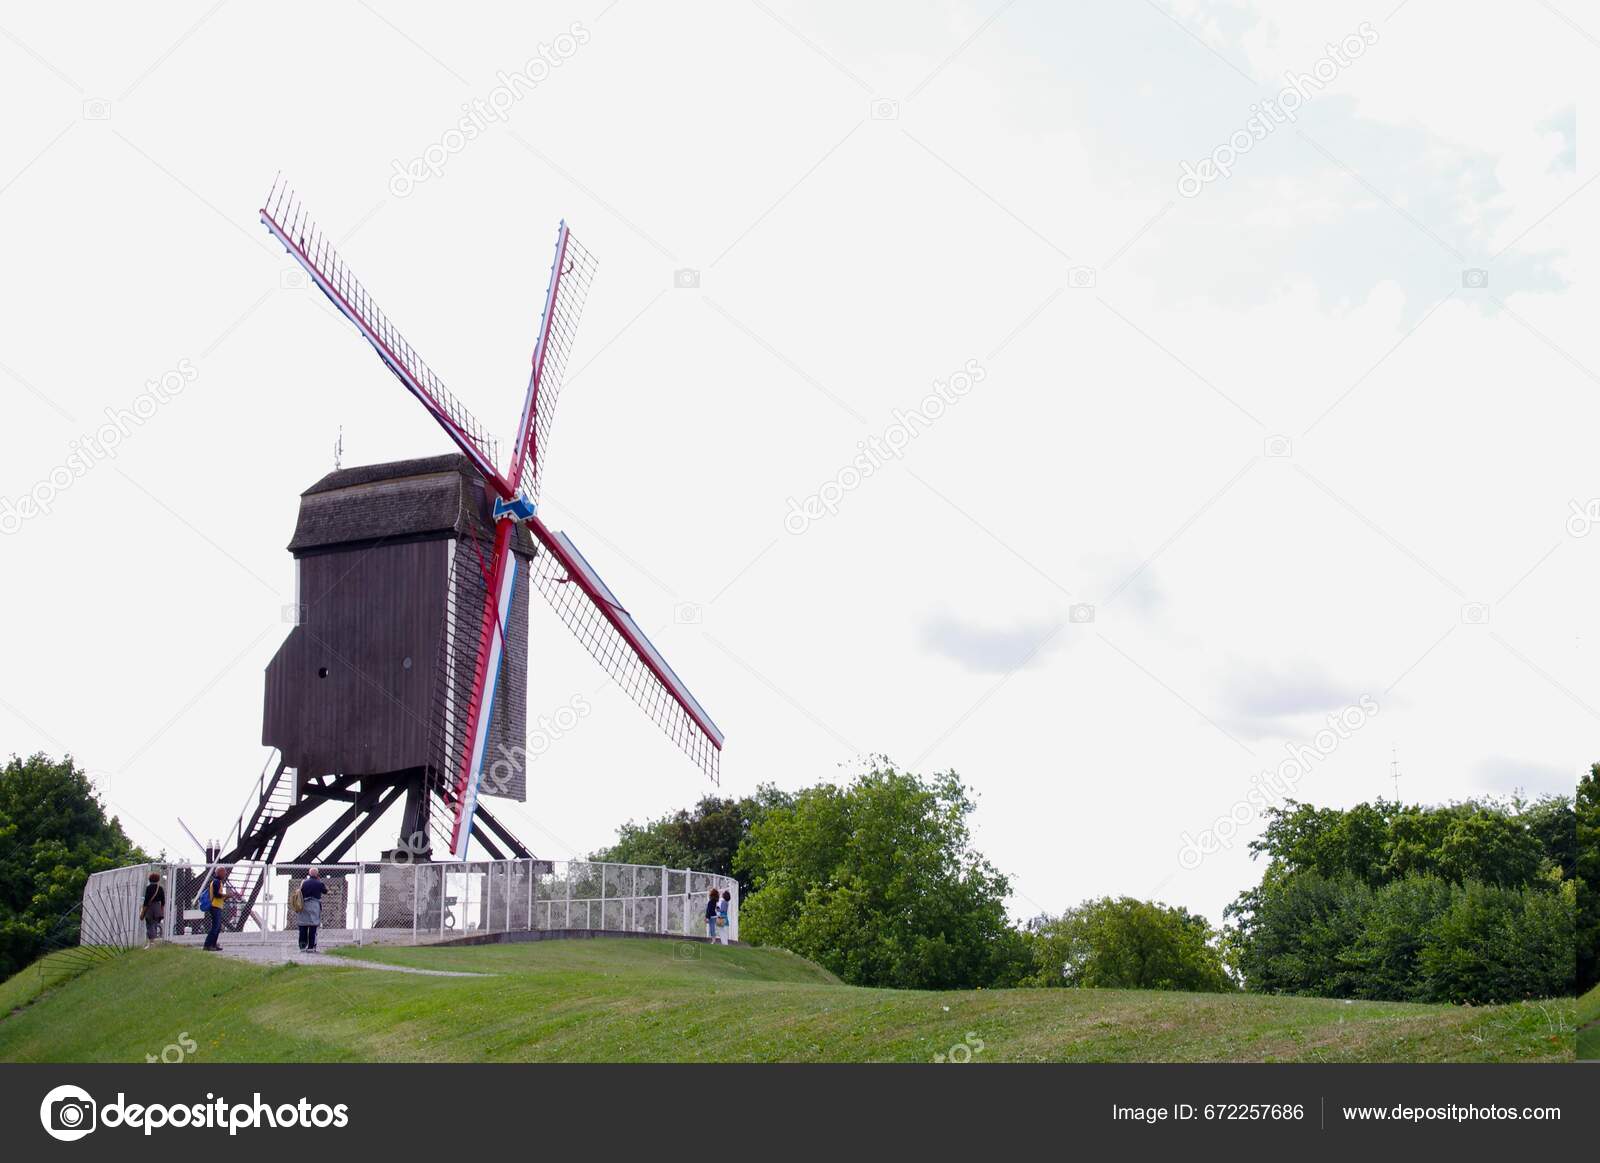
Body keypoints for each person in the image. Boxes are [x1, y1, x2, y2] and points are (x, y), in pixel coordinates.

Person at [202, 866, 230, 951]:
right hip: (215, 906)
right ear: (219, 873)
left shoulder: (219, 882)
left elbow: (219, 897)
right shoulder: (216, 882)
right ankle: (207, 945)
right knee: (215, 927)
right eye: (224, 872)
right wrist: (226, 895)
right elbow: (216, 895)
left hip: (218, 906)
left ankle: (213, 945)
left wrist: (226, 897)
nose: (225, 874)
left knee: (217, 927)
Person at [298, 867, 327, 953]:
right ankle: (311, 947)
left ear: (309, 873)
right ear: (317, 874)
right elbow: (325, 891)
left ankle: (302, 946)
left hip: (304, 906)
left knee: (303, 926)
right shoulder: (319, 883)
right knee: (313, 926)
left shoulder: (304, 883)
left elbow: (300, 893)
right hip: (314, 906)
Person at [140, 871, 165, 947]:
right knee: (155, 924)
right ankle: (152, 941)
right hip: (158, 907)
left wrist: (143, 910)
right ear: (157, 879)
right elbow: (163, 900)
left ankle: (151, 942)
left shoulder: (149, 888)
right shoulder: (160, 888)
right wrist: (161, 909)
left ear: (150, 879)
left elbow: (146, 899)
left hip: (150, 907)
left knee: (149, 924)